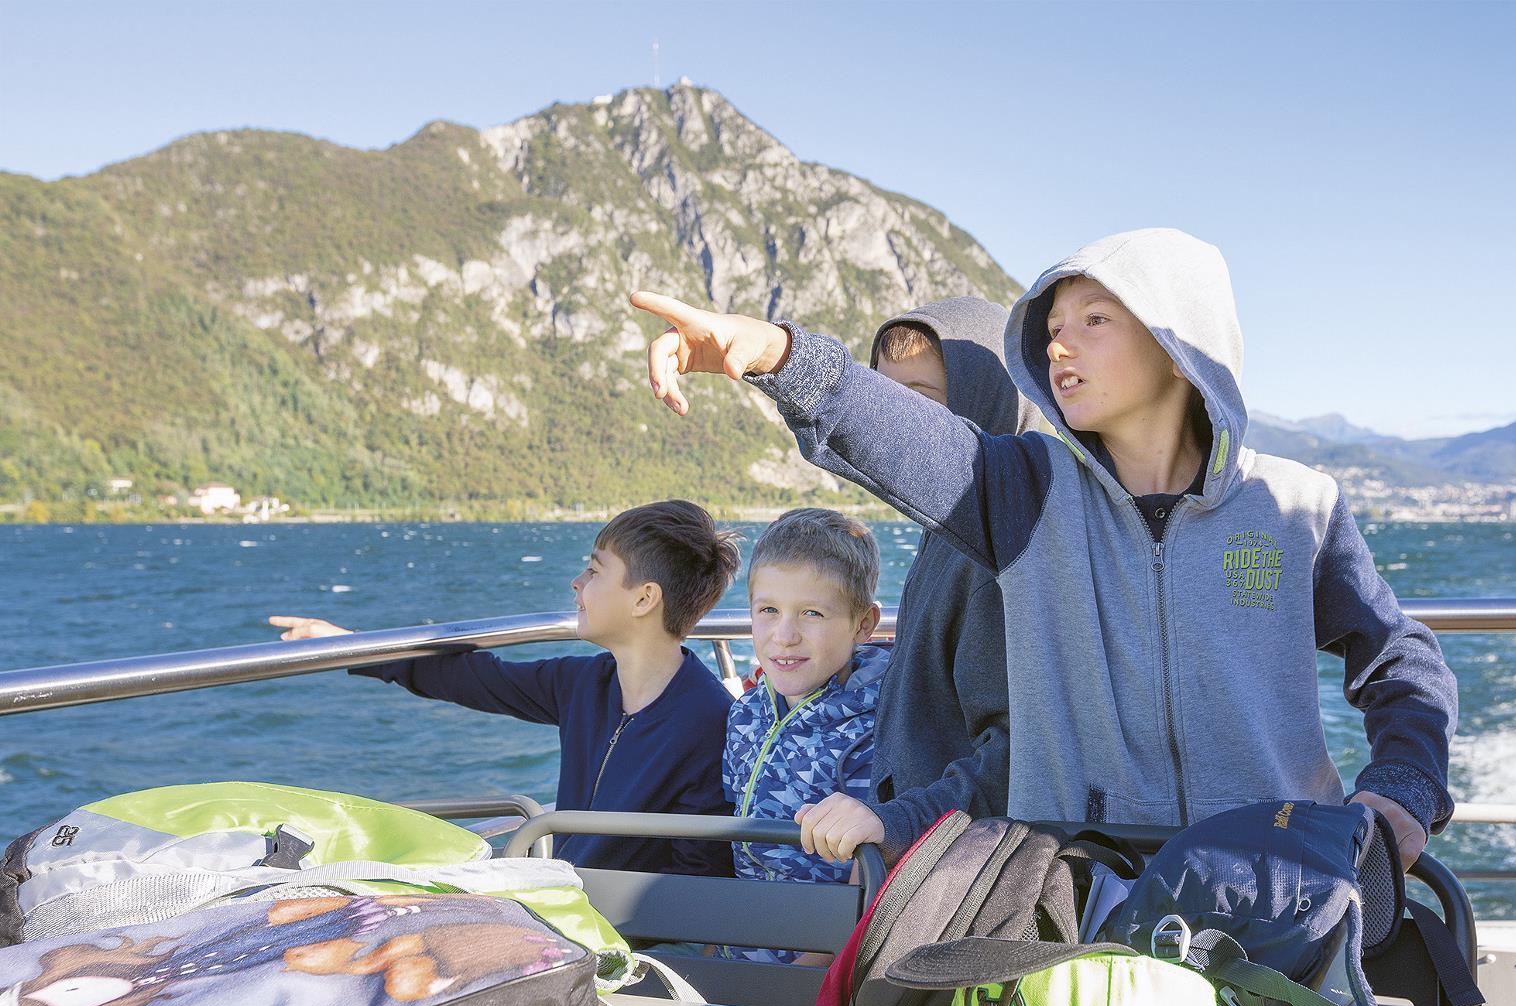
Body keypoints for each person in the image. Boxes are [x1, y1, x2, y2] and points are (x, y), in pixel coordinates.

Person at [629, 228, 1457, 869]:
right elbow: (897, 435)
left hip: (1273, 878)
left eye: (1096, 321)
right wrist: (773, 353)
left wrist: (1403, 792)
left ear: (1184, 348)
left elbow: (1401, 661)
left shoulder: (1297, 506)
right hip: (1081, 887)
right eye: (1053, 328)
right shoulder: (1025, 489)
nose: (1059, 346)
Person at [269, 499, 741, 877]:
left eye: (594, 571)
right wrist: (355, 646)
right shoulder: (585, 684)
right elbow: (473, 678)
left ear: (644, 598)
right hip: (562, 896)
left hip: (624, 930)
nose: (577, 583)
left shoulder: (707, 720)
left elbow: (697, 875)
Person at [795, 298, 1048, 865]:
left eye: (919, 399)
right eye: (883, 397)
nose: (893, 420)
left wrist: (898, 821)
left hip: (957, 868)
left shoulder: (994, 560)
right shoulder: (951, 530)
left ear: (988, 394)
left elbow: (1017, 757)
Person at [722, 507, 886, 963]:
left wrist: (807, 976)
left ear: (863, 624)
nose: (785, 635)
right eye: (768, 610)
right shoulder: (745, 716)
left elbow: (870, 876)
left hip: (818, 964)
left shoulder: (877, 727)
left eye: (812, 613)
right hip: (733, 945)